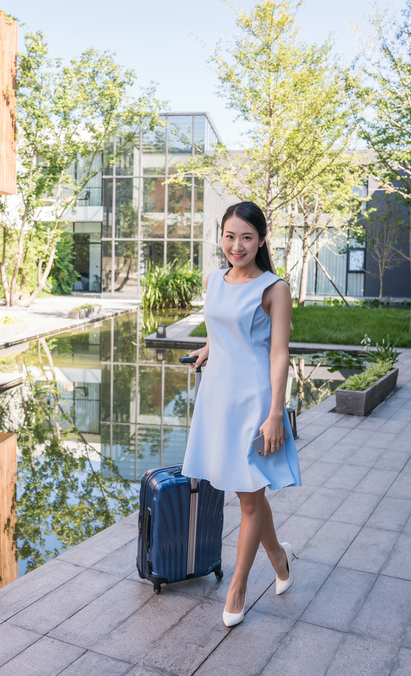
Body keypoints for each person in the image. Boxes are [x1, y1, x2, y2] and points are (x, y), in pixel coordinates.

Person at [182, 200, 302, 628]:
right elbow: (220, 328)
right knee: (248, 494)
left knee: (250, 497)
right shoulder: (215, 279)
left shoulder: (275, 288)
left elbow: (278, 352)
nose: (237, 245)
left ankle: (238, 586)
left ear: (262, 240)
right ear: (222, 236)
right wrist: (209, 348)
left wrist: (275, 413)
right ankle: (280, 559)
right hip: (217, 399)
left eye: (247, 237)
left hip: (253, 401)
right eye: (230, 236)